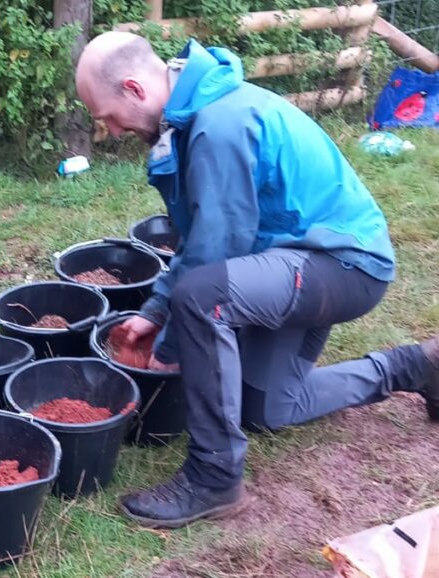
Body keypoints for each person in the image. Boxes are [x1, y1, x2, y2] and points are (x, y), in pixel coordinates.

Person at [74, 31, 439, 529]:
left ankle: (214, 477)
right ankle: (412, 368)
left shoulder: (219, 125)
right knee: (267, 407)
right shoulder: (193, 118)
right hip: (298, 262)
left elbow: (215, 252)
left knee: (202, 299)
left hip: (345, 264)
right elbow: (202, 235)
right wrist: (154, 312)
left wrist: (172, 343)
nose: (112, 132)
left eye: (107, 117)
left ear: (135, 89)